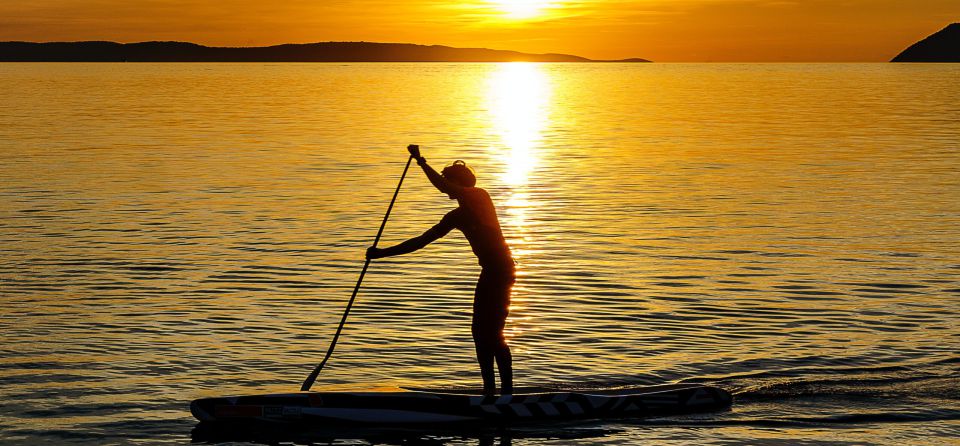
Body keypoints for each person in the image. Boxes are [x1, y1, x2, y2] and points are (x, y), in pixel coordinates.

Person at [366, 145, 515, 395]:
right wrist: (381, 253)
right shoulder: (455, 217)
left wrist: (421, 162)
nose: (445, 185)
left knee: (493, 332)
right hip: (489, 272)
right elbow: (420, 241)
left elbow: (444, 186)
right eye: (445, 179)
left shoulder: (480, 196)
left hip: (502, 272)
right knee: (479, 333)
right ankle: (489, 391)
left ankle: (507, 395)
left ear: (459, 183)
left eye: (449, 180)